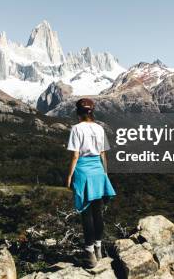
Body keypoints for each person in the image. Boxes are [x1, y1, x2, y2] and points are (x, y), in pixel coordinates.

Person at [66, 98, 116, 269]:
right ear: (92, 112)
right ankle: (98, 249)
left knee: (86, 213)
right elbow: (103, 155)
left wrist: (70, 176)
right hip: (98, 171)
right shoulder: (100, 128)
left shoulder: (76, 129)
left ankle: (89, 254)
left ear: (78, 112)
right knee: (98, 211)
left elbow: (75, 155)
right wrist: (105, 175)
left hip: (83, 171)